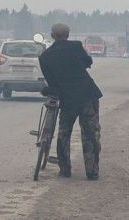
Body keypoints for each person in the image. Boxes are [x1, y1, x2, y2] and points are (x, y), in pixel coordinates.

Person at [38, 23, 103, 180]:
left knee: (64, 134)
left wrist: (48, 90)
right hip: (87, 96)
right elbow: (88, 62)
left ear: (52, 35)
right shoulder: (76, 46)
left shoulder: (45, 57)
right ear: (68, 35)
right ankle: (92, 171)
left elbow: (51, 83)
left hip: (68, 101)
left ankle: (65, 169)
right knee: (90, 134)